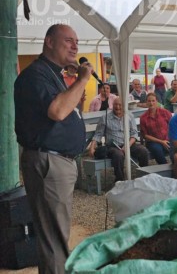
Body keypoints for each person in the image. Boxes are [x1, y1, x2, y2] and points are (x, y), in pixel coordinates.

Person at [14, 24, 93, 273]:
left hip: (58, 162)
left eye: (77, 41)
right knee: (54, 240)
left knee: (54, 236)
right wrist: (81, 80)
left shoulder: (53, 73)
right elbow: (57, 111)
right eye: (68, 40)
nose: (75, 46)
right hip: (49, 162)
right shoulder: (35, 75)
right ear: (49, 41)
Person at [89, 97, 149, 181]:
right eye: (115, 105)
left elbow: (134, 134)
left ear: (124, 106)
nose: (118, 107)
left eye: (120, 105)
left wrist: (127, 146)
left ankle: (144, 177)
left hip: (129, 144)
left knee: (143, 151)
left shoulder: (129, 116)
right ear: (112, 105)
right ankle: (120, 180)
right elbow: (98, 134)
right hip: (112, 146)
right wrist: (92, 148)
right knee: (118, 155)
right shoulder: (105, 118)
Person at [140, 93, 173, 165]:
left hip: (168, 139)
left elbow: (173, 126)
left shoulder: (165, 112)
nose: (151, 103)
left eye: (153, 101)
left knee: (176, 148)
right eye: (149, 101)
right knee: (157, 149)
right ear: (146, 102)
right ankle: (165, 167)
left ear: (156, 101)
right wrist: (161, 142)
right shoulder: (143, 117)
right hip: (153, 142)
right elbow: (145, 135)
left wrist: (168, 139)